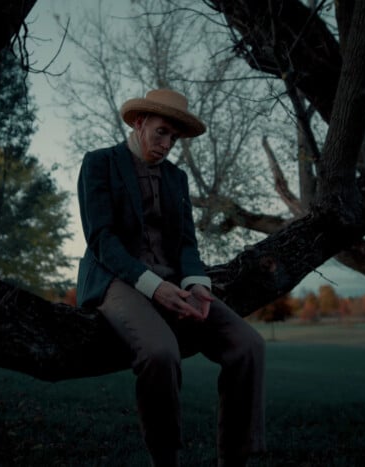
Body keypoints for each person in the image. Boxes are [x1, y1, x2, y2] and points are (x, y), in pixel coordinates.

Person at [75, 88, 266, 466]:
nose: (166, 145)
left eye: (174, 139)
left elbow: (187, 244)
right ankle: (166, 460)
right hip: (117, 280)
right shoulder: (99, 163)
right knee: (161, 352)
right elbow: (101, 240)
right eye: (161, 132)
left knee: (249, 345)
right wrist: (153, 286)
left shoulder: (177, 178)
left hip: (175, 282)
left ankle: (236, 459)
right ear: (139, 123)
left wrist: (197, 284)